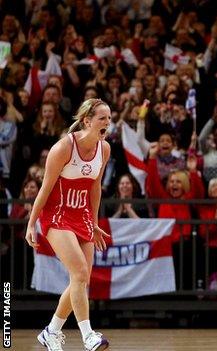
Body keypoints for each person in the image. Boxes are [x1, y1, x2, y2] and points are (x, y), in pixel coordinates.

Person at [24, 98, 111, 351]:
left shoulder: (104, 149)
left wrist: (94, 223)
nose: (107, 123)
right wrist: (32, 223)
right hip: (57, 215)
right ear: (87, 121)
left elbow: (95, 187)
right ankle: (88, 336)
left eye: (109, 118)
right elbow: (45, 188)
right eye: (102, 118)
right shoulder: (63, 147)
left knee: (81, 280)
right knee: (80, 273)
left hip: (82, 216)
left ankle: (51, 332)